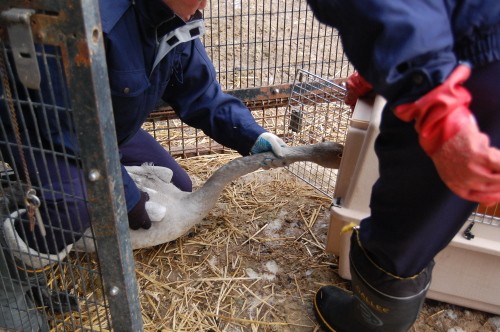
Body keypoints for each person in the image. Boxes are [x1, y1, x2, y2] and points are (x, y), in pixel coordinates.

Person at [0, 0, 286, 330]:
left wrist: (251, 135)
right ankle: (11, 276)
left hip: (106, 128)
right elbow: (65, 123)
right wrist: (124, 195)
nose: (202, 5)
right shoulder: (96, 21)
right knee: (79, 205)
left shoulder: (176, 19)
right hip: (40, 130)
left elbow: (202, 95)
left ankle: (44, 218)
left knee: (178, 185)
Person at [305, 1, 500, 331]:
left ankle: (372, 321)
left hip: (470, 70)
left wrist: (432, 101)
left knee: (403, 227)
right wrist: (382, 70)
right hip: (475, 32)